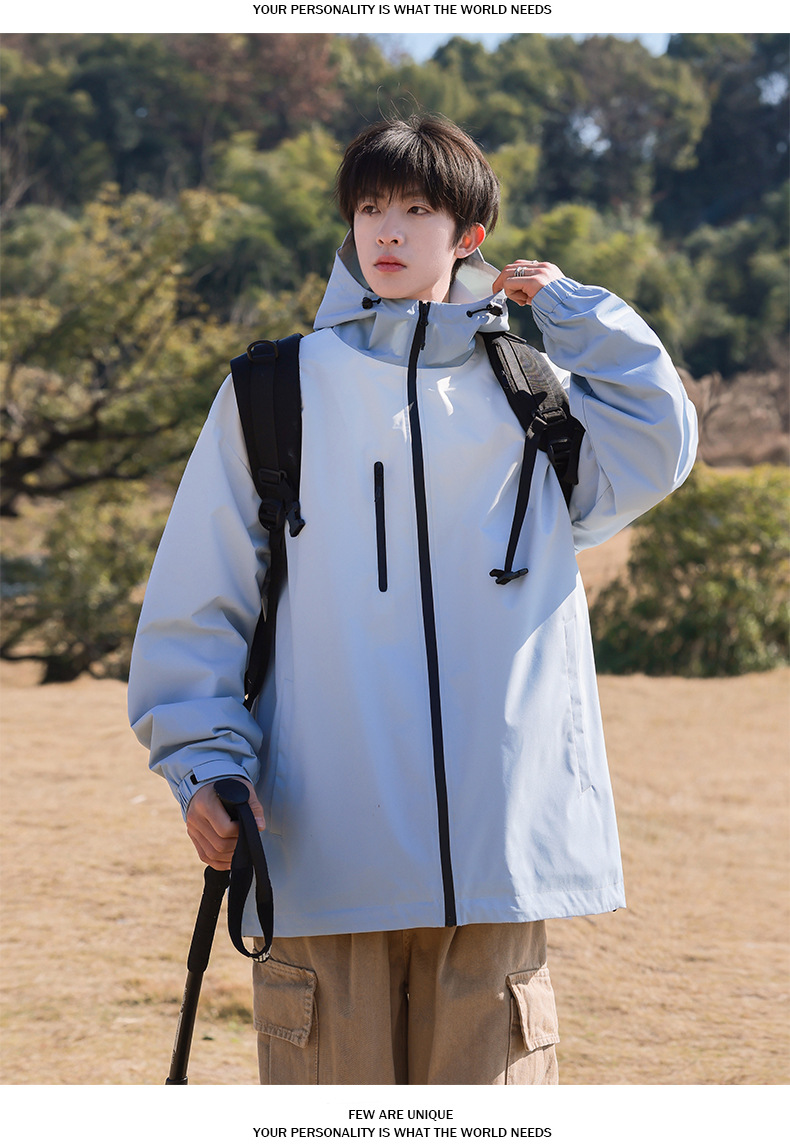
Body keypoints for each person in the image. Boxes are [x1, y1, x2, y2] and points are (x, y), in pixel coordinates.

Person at [128, 114, 698, 1085]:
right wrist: (204, 765)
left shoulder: (530, 393)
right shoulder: (272, 392)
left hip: (496, 861)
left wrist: (571, 310)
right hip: (322, 852)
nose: (386, 230)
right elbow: (200, 601)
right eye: (369, 208)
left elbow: (660, 438)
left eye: (417, 210)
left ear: (468, 235)